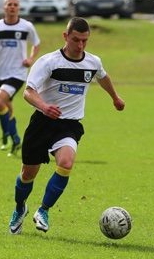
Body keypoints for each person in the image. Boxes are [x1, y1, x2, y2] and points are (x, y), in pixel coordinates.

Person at [8, 17, 125, 234]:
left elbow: (103, 76)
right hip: (42, 123)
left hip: (69, 125)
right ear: (65, 36)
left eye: (84, 41)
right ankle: (19, 208)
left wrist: (115, 98)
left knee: (66, 162)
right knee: (28, 174)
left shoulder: (93, 62)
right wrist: (44, 106)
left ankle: (43, 210)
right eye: (76, 40)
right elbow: (28, 91)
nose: (80, 45)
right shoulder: (48, 62)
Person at [0, 0, 40, 156]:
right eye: (9, 4)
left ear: (18, 8)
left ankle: (7, 135)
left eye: (15, 5)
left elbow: (36, 44)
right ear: (4, 8)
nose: (12, 7)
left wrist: (31, 58)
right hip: (0, 73)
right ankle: (14, 139)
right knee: (7, 107)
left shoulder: (26, 26)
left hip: (18, 73)